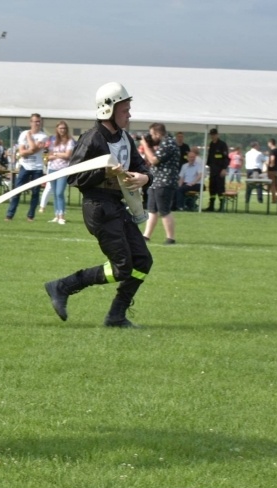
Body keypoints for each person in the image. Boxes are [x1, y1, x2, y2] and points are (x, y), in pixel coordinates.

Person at [44, 82, 153, 328]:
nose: (129, 115)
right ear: (109, 110)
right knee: (122, 267)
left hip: (117, 206)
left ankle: (116, 315)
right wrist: (103, 173)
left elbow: (141, 167)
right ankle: (62, 286)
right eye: (125, 110)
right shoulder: (92, 139)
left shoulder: (125, 138)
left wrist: (145, 177)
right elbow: (74, 176)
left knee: (142, 261)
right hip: (98, 208)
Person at [141, 123, 180, 244]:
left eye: (152, 134)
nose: (152, 137)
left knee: (164, 210)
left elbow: (154, 160)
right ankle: (146, 236)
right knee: (152, 209)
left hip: (164, 181)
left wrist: (144, 145)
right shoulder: (164, 143)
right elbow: (155, 157)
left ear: (158, 133)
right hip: (156, 181)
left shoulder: (168, 143)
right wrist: (149, 146)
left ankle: (170, 237)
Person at [6, 113, 48, 221]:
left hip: (37, 167)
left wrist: (29, 138)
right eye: (35, 121)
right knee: (17, 190)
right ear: (31, 122)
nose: (37, 123)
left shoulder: (43, 136)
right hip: (25, 166)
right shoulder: (23, 133)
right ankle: (9, 215)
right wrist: (27, 151)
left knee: (35, 192)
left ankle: (30, 216)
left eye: (39, 121)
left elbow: (34, 149)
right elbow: (22, 152)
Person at [45, 121, 75, 224]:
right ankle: (56, 215)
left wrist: (56, 154)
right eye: (60, 128)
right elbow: (48, 156)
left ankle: (62, 216)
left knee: (59, 192)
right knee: (55, 193)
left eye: (64, 128)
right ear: (57, 129)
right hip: (52, 168)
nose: (62, 130)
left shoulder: (70, 141)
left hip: (63, 169)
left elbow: (67, 155)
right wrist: (56, 155)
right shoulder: (53, 140)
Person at [205, 128, 229, 212]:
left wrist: (224, 169)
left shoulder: (222, 144)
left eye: (214, 134)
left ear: (217, 135)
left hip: (220, 171)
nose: (212, 136)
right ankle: (211, 205)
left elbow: (226, 158)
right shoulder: (211, 144)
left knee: (220, 188)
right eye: (211, 135)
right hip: (212, 170)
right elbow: (210, 157)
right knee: (212, 188)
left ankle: (221, 206)